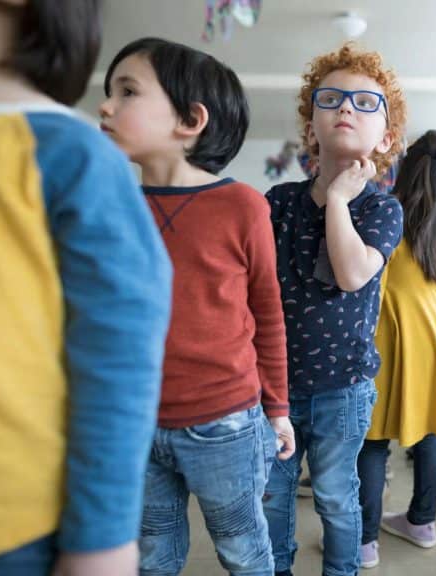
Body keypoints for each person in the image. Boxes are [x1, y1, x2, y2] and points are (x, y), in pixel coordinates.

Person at [0, 2, 172, 574]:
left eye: (130, 92)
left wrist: (103, 539)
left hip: (6, 534)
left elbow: (118, 357)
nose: (110, 105)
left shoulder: (70, 155)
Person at [100, 37, 293, 575]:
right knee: (151, 559)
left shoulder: (242, 206)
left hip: (226, 424)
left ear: (190, 119)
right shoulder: (109, 202)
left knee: (244, 551)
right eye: (109, 91)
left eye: (128, 91)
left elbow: (269, 318)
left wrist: (277, 409)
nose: (105, 106)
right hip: (135, 422)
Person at [263, 43, 406, 576]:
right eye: (332, 99)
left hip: (343, 388)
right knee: (274, 496)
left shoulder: (381, 209)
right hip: (275, 386)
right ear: (310, 129)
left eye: (365, 103)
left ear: (385, 139)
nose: (346, 108)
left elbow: (350, 274)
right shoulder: (276, 202)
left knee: (336, 497)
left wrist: (341, 200)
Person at [358, 130, 436, 568]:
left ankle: (365, 542)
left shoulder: (380, 216)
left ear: (404, 168)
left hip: (385, 342)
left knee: (373, 442)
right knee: (429, 435)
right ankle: (422, 523)